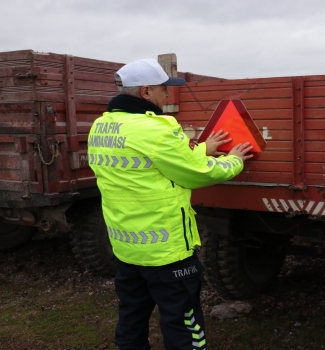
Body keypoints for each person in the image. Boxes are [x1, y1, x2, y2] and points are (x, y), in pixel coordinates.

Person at [87, 58, 253, 350]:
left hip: (127, 248)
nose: (169, 96)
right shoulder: (159, 129)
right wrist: (234, 162)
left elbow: (148, 163)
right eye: (165, 90)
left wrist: (201, 148)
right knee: (183, 324)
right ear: (146, 92)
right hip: (167, 252)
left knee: (131, 318)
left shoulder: (102, 126)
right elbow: (196, 172)